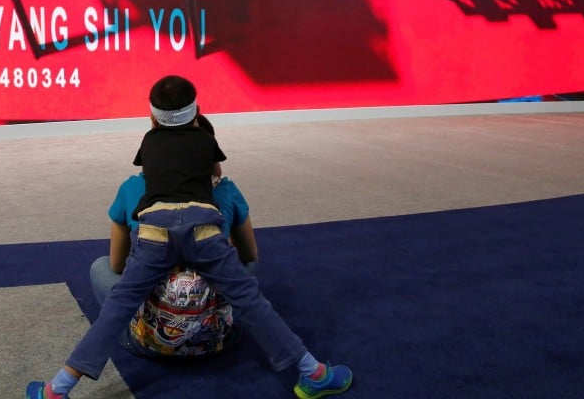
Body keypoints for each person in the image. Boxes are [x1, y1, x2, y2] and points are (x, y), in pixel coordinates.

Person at [26, 75, 352, 398]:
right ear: (196, 113)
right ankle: (313, 373)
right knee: (250, 299)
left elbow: (150, 174)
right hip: (203, 227)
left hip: (154, 230)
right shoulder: (204, 141)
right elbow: (216, 174)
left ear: (152, 117)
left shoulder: (148, 142)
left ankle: (59, 387)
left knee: (118, 305)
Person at [89, 114, 259, 357]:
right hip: (217, 339)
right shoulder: (227, 191)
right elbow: (250, 256)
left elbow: (117, 264)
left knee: (101, 266)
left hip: (149, 343)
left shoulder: (132, 189)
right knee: (246, 263)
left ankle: (135, 331)